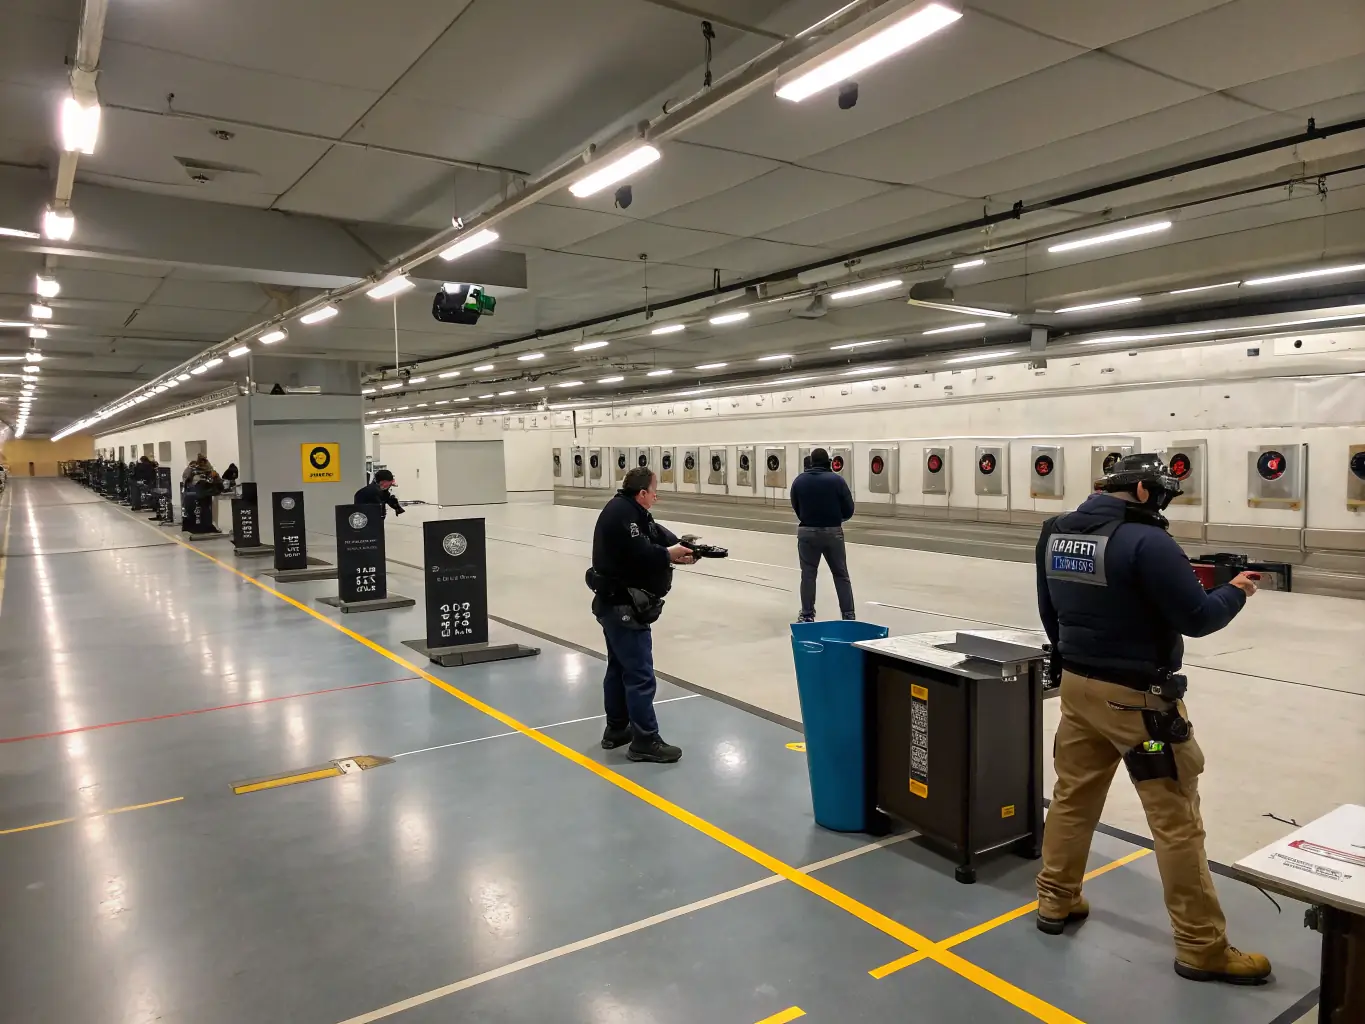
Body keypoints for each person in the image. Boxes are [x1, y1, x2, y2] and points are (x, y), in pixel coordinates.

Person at [1034, 453, 1268, 985]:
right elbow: (1198, 617)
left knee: (1072, 798)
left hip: (1078, 689)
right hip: (1140, 706)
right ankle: (1202, 947)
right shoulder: (1149, 542)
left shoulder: (1056, 531)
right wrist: (1236, 591)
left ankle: (1055, 900)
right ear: (1142, 492)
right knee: (1176, 821)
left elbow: (1049, 611)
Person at [588, 466, 695, 763]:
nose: (656, 495)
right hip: (623, 607)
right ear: (643, 493)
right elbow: (641, 552)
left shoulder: (631, 511)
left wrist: (681, 547)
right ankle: (645, 740)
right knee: (640, 675)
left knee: (619, 668)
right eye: (654, 490)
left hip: (613, 604)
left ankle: (617, 729)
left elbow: (656, 534)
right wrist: (669, 554)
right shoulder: (623, 514)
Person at [789, 447, 856, 622]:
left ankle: (807, 615)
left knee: (808, 575)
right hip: (833, 532)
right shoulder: (837, 481)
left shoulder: (799, 481)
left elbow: (796, 507)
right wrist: (835, 519)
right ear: (828, 461)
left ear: (811, 462)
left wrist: (809, 518)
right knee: (841, 574)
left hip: (807, 532)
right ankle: (848, 615)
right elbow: (849, 509)